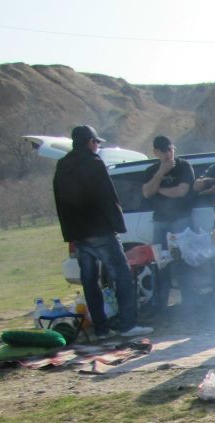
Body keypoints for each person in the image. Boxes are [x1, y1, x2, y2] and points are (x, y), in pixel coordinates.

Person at [52, 125, 152, 339]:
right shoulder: (93, 162)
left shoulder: (62, 165)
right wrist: (117, 225)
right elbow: (108, 196)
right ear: (90, 142)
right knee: (122, 275)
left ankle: (101, 329)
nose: (97, 146)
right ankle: (128, 325)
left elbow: (59, 200)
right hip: (99, 229)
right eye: (96, 142)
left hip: (78, 232)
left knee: (90, 282)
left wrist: (69, 232)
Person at [141, 135, 195, 254]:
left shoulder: (184, 166)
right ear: (156, 152)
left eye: (171, 150)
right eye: (164, 151)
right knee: (161, 256)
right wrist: (161, 172)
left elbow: (181, 191)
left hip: (181, 219)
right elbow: (147, 193)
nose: (169, 154)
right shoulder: (151, 171)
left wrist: (158, 189)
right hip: (159, 220)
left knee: (183, 254)